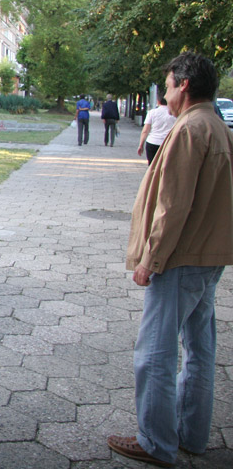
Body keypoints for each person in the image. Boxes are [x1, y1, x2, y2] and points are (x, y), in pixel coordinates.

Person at [107, 52, 233, 468]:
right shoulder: (218, 127)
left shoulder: (190, 129)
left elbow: (173, 205)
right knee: (199, 348)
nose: (164, 92)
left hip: (179, 259)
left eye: (168, 84)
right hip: (208, 255)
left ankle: (156, 442)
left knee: (155, 353)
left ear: (184, 85)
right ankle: (192, 435)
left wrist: (151, 259)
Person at [137, 97, 176, 165]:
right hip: (168, 143)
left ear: (158, 101)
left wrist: (141, 145)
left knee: (152, 166)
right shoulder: (174, 113)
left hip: (152, 142)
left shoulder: (152, 112)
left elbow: (145, 130)